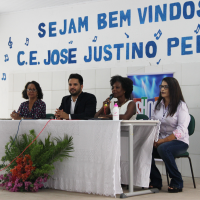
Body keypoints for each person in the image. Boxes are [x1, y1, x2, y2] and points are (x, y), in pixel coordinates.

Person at [150, 77, 190, 193]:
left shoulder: (181, 106)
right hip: (160, 141)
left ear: (173, 88)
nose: (162, 89)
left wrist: (163, 141)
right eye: (161, 86)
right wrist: (153, 139)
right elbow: (152, 123)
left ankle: (177, 181)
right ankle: (156, 180)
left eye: (165, 87)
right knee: (144, 148)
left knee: (163, 148)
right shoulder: (157, 105)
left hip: (179, 142)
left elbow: (181, 130)